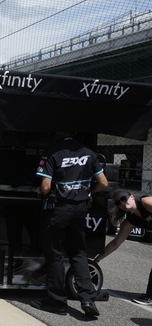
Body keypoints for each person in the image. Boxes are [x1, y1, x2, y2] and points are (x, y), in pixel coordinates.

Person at [31, 132, 108, 317]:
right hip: (80, 208)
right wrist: (88, 192)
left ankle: (57, 302)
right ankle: (88, 299)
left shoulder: (52, 152)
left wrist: (43, 195)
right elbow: (103, 183)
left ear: (57, 134)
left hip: (58, 210)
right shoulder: (89, 153)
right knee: (79, 253)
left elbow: (45, 187)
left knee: (55, 255)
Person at [94, 189, 152, 305]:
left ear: (132, 197)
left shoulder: (146, 202)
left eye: (123, 199)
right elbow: (116, 243)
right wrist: (97, 259)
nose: (121, 203)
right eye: (117, 203)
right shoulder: (130, 221)